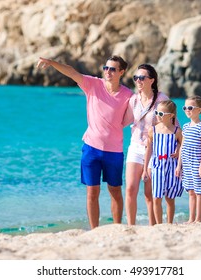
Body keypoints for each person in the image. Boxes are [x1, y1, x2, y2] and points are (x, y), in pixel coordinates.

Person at [37, 55, 133, 229]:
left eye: (112, 69)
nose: (108, 72)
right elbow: (72, 72)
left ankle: (118, 228)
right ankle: (94, 230)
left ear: (121, 72)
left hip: (114, 151)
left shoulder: (128, 95)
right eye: (106, 68)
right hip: (91, 148)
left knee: (115, 192)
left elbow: (138, 114)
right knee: (92, 192)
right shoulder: (93, 84)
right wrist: (51, 63)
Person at [124, 64, 178, 226]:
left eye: (142, 78)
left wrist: (177, 147)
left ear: (152, 80)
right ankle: (130, 227)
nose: (138, 81)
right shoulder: (133, 100)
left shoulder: (162, 99)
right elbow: (125, 120)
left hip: (155, 150)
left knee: (150, 194)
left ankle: (153, 227)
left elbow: (175, 125)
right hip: (135, 147)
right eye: (136, 78)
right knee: (130, 189)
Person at [142, 100, 183, 224]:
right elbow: (149, 149)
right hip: (157, 167)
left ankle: (169, 223)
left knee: (170, 198)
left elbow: (182, 145)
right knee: (156, 197)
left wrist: (178, 156)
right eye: (157, 113)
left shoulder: (177, 131)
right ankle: (159, 225)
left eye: (161, 114)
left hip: (172, 167)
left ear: (171, 115)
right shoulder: (152, 130)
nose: (158, 116)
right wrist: (145, 169)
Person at [175, 95, 201, 223]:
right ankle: (191, 218)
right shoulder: (185, 127)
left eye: (190, 107)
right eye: (185, 108)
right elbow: (182, 147)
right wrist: (179, 166)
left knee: (199, 191)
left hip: (197, 162)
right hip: (187, 162)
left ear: (199, 110)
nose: (187, 110)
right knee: (190, 191)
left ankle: (198, 218)